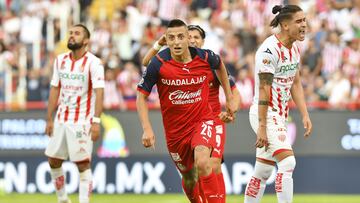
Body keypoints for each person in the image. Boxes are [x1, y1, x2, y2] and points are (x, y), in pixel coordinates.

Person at [137, 19, 236, 203]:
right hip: (176, 132)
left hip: (203, 120)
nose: (176, 42)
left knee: (205, 162)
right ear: (166, 39)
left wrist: (229, 97)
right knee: (189, 178)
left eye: (181, 37)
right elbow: (141, 96)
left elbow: (221, 65)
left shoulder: (205, 57)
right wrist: (147, 128)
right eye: (172, 38)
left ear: (187, 40)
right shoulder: (158, 63)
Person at [244, 5, 312, 203]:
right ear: (285, 24)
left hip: (279, 116)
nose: (304, 25)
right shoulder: (268, 50)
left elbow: (295, 82)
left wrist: (305, 114)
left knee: (263, 170)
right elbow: (264, 89)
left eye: (304, 20)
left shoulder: (294, 48)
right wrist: (262, 127)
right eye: (299, 21)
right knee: (288, 162)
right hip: (265, 114)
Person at [44, 24, 104, 203]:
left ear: (86, 41)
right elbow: (55, 89)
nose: (71, 36)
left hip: (82, 121)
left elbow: (100, 92)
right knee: (53, 160)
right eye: (70, 33)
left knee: (83, 164)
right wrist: (49, 118)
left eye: (76, 34)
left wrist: (96, 121)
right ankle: (63, 199)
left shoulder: (94, 63)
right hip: (61, 118)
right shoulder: (60, 60)